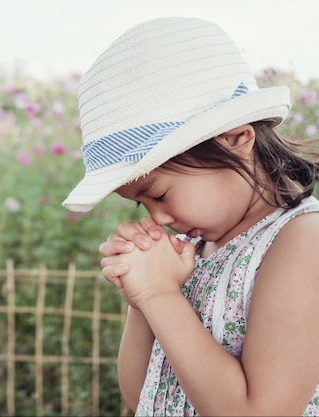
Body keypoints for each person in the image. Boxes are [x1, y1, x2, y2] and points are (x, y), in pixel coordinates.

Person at [62, 17, 319, 416]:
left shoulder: (301, 241)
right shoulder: (192, 252)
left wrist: (160, 295)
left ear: (236, 138)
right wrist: (141, 299)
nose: (158, 218)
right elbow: (141, 393)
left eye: (159, 194)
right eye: (141, 205)